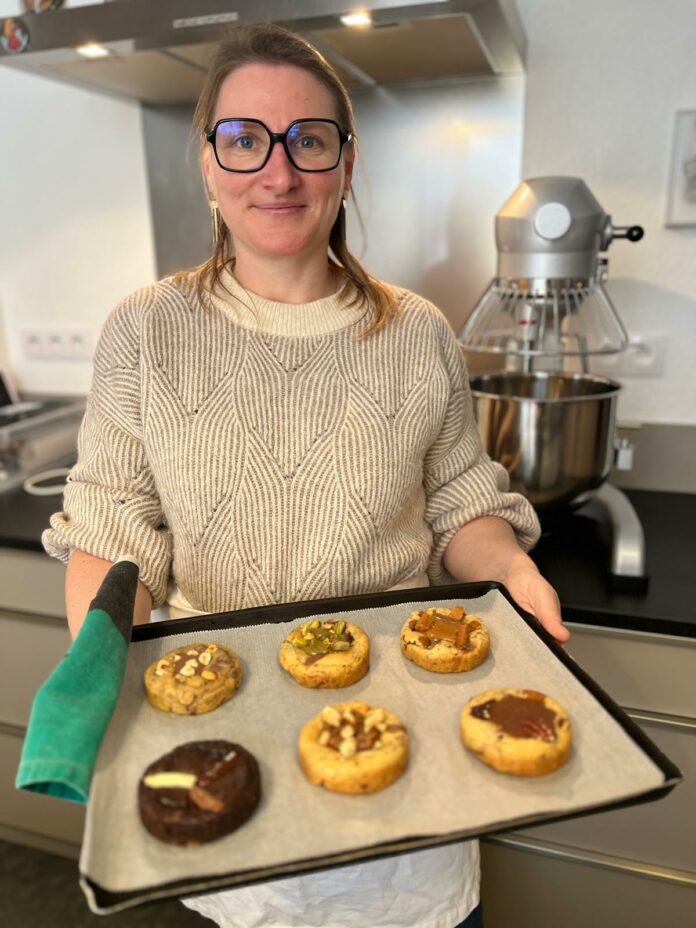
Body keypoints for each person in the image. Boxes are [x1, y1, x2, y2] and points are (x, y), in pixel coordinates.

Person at [44, 23, 569, 928]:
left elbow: (461, 507)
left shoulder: (418, 334)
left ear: (346, 160)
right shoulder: (147, 331)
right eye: (244, 140)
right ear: (208, 161)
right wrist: (95, 672)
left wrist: (515, 574)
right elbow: (114, 529)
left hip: (406, 758)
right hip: (224, 758)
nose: (278, 174)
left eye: (308, 141)